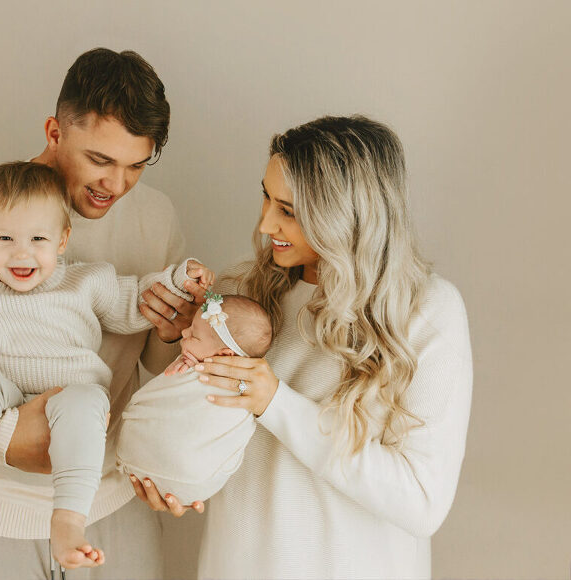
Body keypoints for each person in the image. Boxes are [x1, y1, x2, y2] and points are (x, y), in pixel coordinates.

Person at [0, 48, 203, 580]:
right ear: (54, 131)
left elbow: (158, 367)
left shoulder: (155, 217)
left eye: (135, 165)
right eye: (99, 160)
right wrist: (5, 437)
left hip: (112, 511)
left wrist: (168, 333)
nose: (115, 185)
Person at [132, 115, 472, 579]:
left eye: (288, 210)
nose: (265, 221)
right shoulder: (239, 295)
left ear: (346, 216)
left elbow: (422, 502)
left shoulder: (426, 312)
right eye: (267, 197)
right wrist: (168, 343)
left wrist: (275, 403)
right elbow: (178, 408)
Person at [0, 161, 212, 569]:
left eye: (38, 238)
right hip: (3, 392)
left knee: (88, 402)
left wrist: (179, 282)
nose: (22, 253)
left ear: (62, 240)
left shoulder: (86, 282)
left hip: (72, 393)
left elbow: (138, 301)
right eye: (5, 238)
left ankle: (68, 519)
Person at [116, 293, 272, 504]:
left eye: (194, 335)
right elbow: (169, 393)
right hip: (194, 483)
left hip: (172, 464)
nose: (184, 332)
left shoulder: (244, 390)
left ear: (225, 356)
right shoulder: (198, 355)